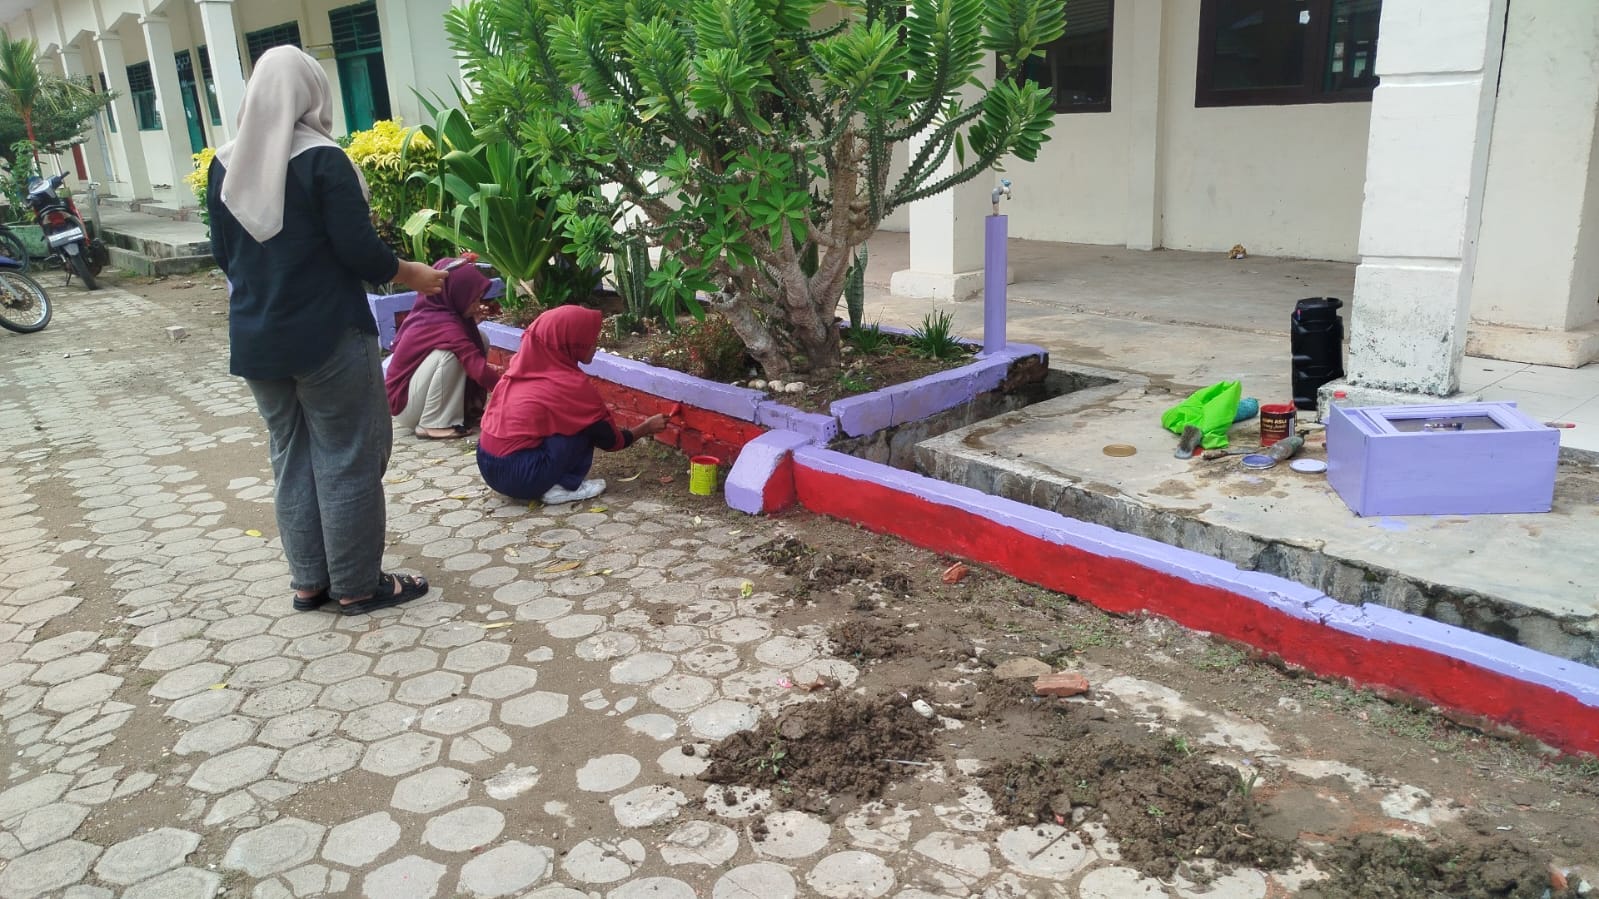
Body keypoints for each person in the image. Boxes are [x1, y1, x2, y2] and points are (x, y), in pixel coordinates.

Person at [207, 46, 447, 615]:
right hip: (328, 336)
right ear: (312, 91)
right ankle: (359, 585)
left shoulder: (225, 163)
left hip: (258, 341)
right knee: (347, 455)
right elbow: (361, 252)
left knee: (290, 456)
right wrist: (415, 274)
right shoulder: (323, 159)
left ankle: (310, 582)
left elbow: (223, 254)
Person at [477, 305, 667, 503]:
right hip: (523, 477)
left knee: (567, 422)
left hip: (487, 466)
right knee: (583, 425)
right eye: (589, 339)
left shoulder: (517, 374)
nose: (595, 344)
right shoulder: (569, 387)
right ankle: (562, 486)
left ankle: (545, 480)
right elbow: (611, 441)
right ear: (568, 342)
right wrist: (647, 427)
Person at [385, 258, 504, 439]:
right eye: (473, 299)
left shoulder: (437, 311)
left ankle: (459, 410)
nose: (477, 305)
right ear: (455, 294)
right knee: (451, 353)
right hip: (404, 405)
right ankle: (433, 423)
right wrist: (512, 389)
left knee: (480, 338)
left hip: (415, 395)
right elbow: (477, 367)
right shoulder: (440, 323)